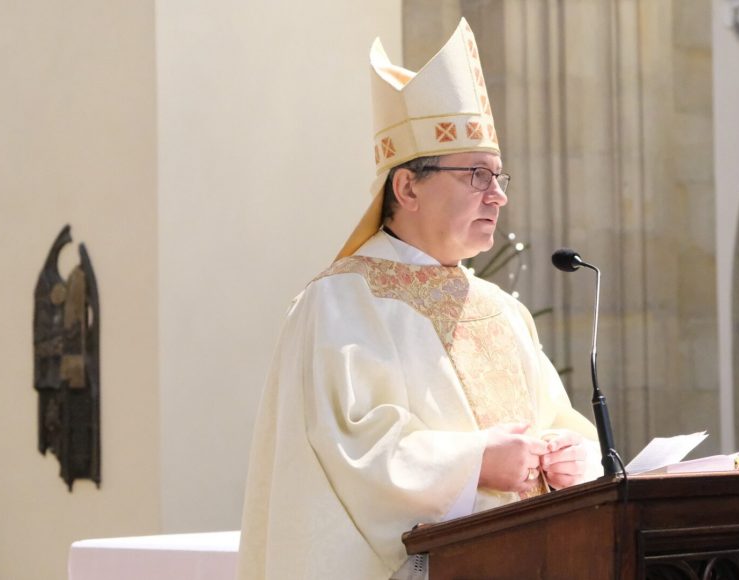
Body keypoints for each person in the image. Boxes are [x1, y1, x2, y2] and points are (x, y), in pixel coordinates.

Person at [235, 18, 601, 580]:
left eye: (500, 177)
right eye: (477, 175)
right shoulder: (338, 304)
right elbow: (351, 455)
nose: (498, 196)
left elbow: (557, 421)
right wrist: (477, 462)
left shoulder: (503, 311)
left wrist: (575, 457)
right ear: (406, 187)